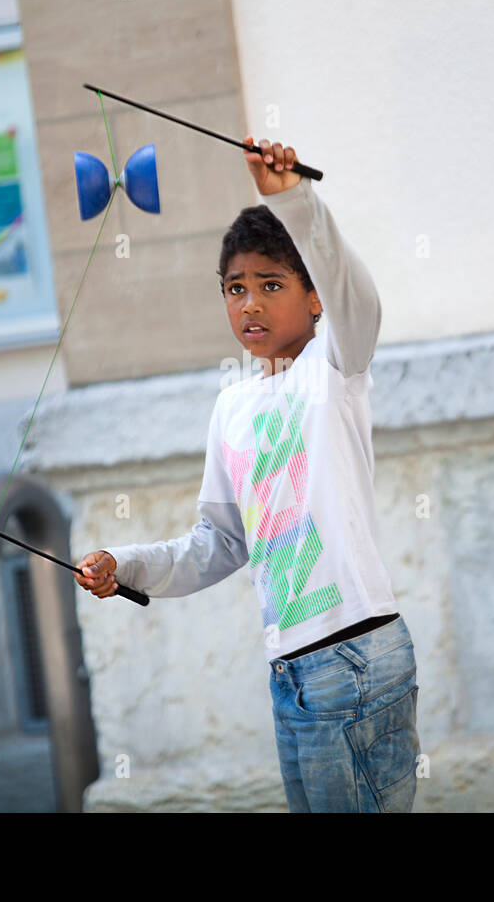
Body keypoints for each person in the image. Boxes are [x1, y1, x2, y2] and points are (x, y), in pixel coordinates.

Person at [76, 137, 420, 813]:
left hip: (355, 657)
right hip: (291, 670)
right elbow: (220, 543)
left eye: (271, 285)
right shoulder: (231, 407)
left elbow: (357, 295)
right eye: (236, 289)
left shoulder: (335, 370)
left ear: (315, 299)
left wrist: (290, 196)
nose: (250, 305)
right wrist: (127, 566)